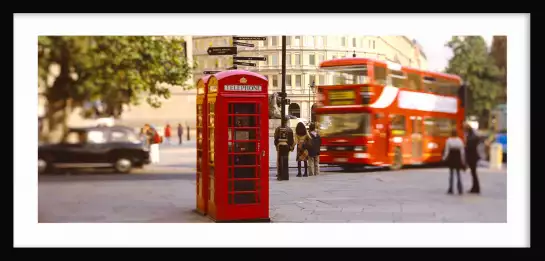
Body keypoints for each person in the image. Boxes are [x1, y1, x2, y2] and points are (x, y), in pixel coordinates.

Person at [443, 129, 466, 195]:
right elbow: (462, 152)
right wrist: (463, 160)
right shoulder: (460, 140)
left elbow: (447, 151)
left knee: (451, 174)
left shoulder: (448, 140)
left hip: (452, 158)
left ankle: (451, 189)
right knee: (458, 174)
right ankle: (460, 189)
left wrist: (444, 158)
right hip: (458, 158)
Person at [465, 123, 481, 194]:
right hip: (473, 157)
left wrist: (465, 147)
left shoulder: (471, 137)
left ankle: (476, 188)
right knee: (473, 173)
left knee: (473, 173)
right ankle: (475, 187)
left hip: (472, 157)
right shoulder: (473, 136)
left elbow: (469, 147)